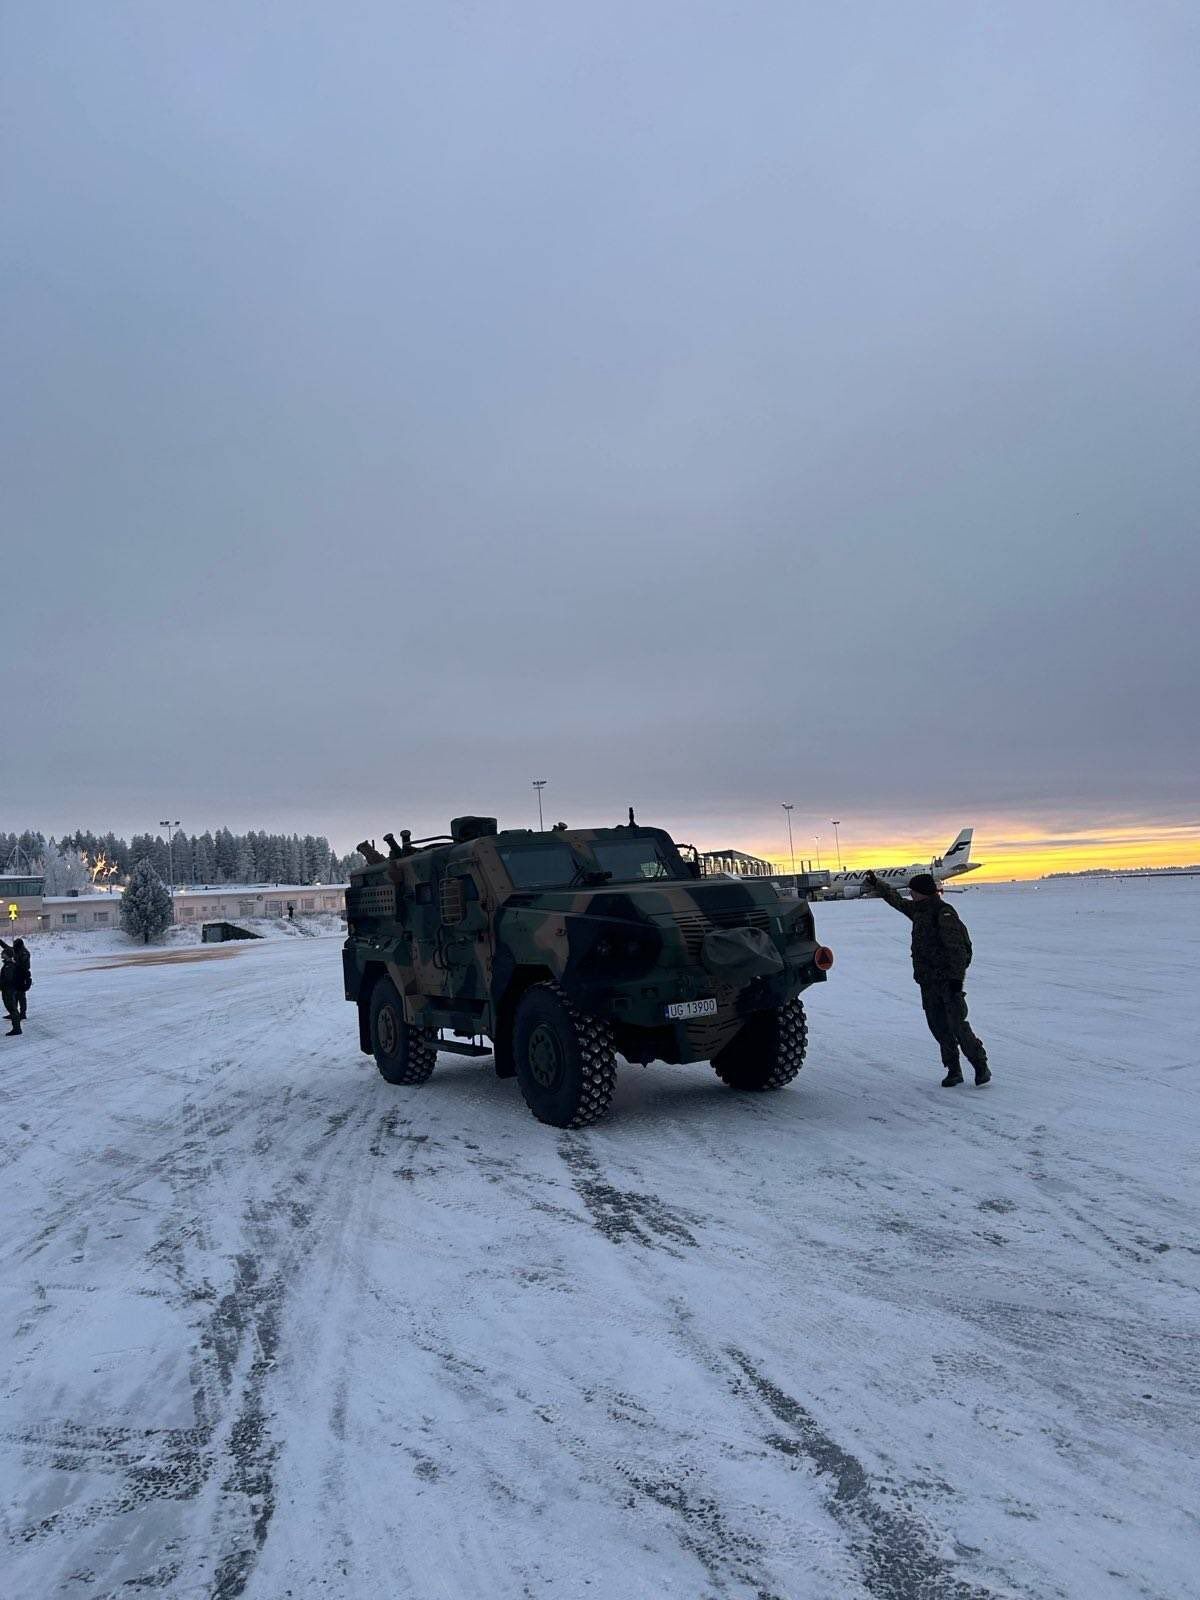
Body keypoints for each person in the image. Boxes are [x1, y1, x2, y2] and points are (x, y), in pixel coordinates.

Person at [865, 871, 990, 1088]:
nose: (910, 894)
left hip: (947, 982)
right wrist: (877, 883)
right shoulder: (920, 910)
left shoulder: (943, 913)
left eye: (913, 891)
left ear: (922, 892)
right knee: (939, 1027)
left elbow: (957, 950)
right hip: (928, 982)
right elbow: (896, 901)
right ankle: (953, 1070)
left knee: (958, 1026)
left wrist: (956, 981)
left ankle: (980, 1065)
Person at [1, 946, 22, 1037]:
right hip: (8, 989)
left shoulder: (9, 965)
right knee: (11, 1008)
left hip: (8, 990)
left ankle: (17, 1029)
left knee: (12, 1008)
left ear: (7, 955)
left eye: (3, 953)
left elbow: (8, 979)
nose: (1, 954)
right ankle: (16, 1028)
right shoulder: (8, 964)